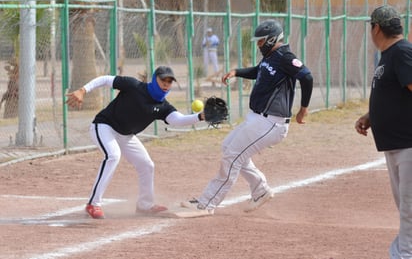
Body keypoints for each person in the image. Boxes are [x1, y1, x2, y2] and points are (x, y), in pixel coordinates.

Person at [181, 19, 313, 215]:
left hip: (271, 122)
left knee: (232, 156)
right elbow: (257, 71)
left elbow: (307, 77)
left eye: (261, 41)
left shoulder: (285, 57)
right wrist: (236, 72)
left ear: (272, 39)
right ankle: (260, 190)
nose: (258, 45)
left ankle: (206, 203)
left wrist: (303, 109)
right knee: (228, 147)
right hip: (258, 119)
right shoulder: (271, 56)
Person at [66, 66, 206, 219]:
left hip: (126, 135)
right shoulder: (134, 86)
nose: (166, 84)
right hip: (104, 126)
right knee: (113, 155)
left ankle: (144, 205)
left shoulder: (163, 106)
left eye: (169, 81)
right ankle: (93, 203)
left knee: (147, 165)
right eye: (163, 80)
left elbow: (178, 120)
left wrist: (200, 116)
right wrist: (83, 90)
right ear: (154, 79)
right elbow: (105, 80)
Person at [355, 5, 412, 259]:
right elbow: (396, 93)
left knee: (409, 210)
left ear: (376, 28)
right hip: (397, 144)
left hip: (408, 144)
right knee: (405, 208)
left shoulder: (401, 53)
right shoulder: (390, 54)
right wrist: (371, 116)